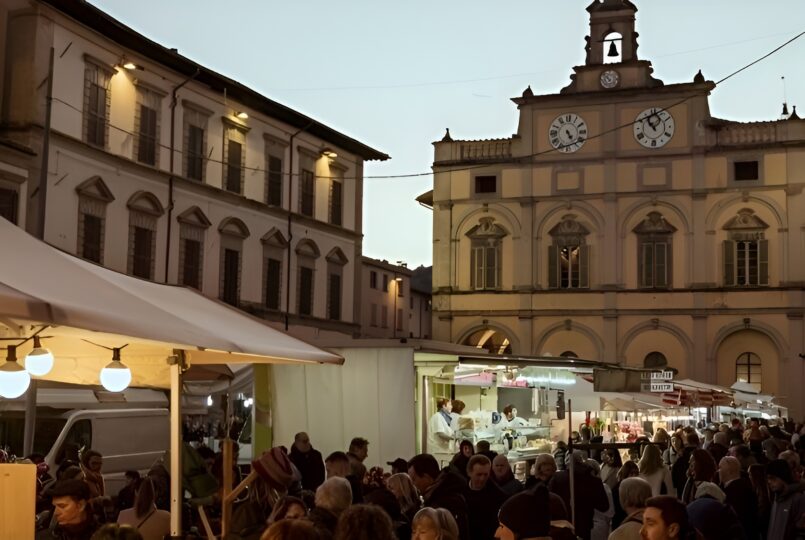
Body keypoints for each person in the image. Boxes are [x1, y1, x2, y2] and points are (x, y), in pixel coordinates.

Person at [549, 451, 609, 540]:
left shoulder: (557, 478)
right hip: (584, 526)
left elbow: (549, 502)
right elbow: (604, 506)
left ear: (567, 462)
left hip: (562, 528)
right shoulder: (594, 481)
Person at [408, 453, 470, 540]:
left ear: (426, 477)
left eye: (414, 479)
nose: (413, 484)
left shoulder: (448, 499)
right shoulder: (431, 496)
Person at [465, 455, 507, 540]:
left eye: (485, 474)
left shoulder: (498, 496)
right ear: (469, 472)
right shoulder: (460, 491)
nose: (482, 478)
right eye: (479, 474)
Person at [718, 456, 758, 539]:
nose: (718, 471)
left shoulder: (734, 492)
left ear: (729, 471)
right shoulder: (746, 487)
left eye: (720, 468)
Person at [766, 458, 805, 540]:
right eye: (768, 479)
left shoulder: (798, 499)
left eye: (772, 478)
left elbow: (801, 531)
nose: (769, 482)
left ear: (783, 477)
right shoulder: (776, 498)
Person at [586, 459, 615, 540]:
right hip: (600, 527)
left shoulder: (577, 487)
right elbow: (610, 513)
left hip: (583, 527)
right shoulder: (604, 488)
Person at [611, 461, 640, 530]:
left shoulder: (636, 486)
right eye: (631, 473)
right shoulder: (617, 488)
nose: (634, 476)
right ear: (625, 474)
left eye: (636, 473)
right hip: (620, 523)